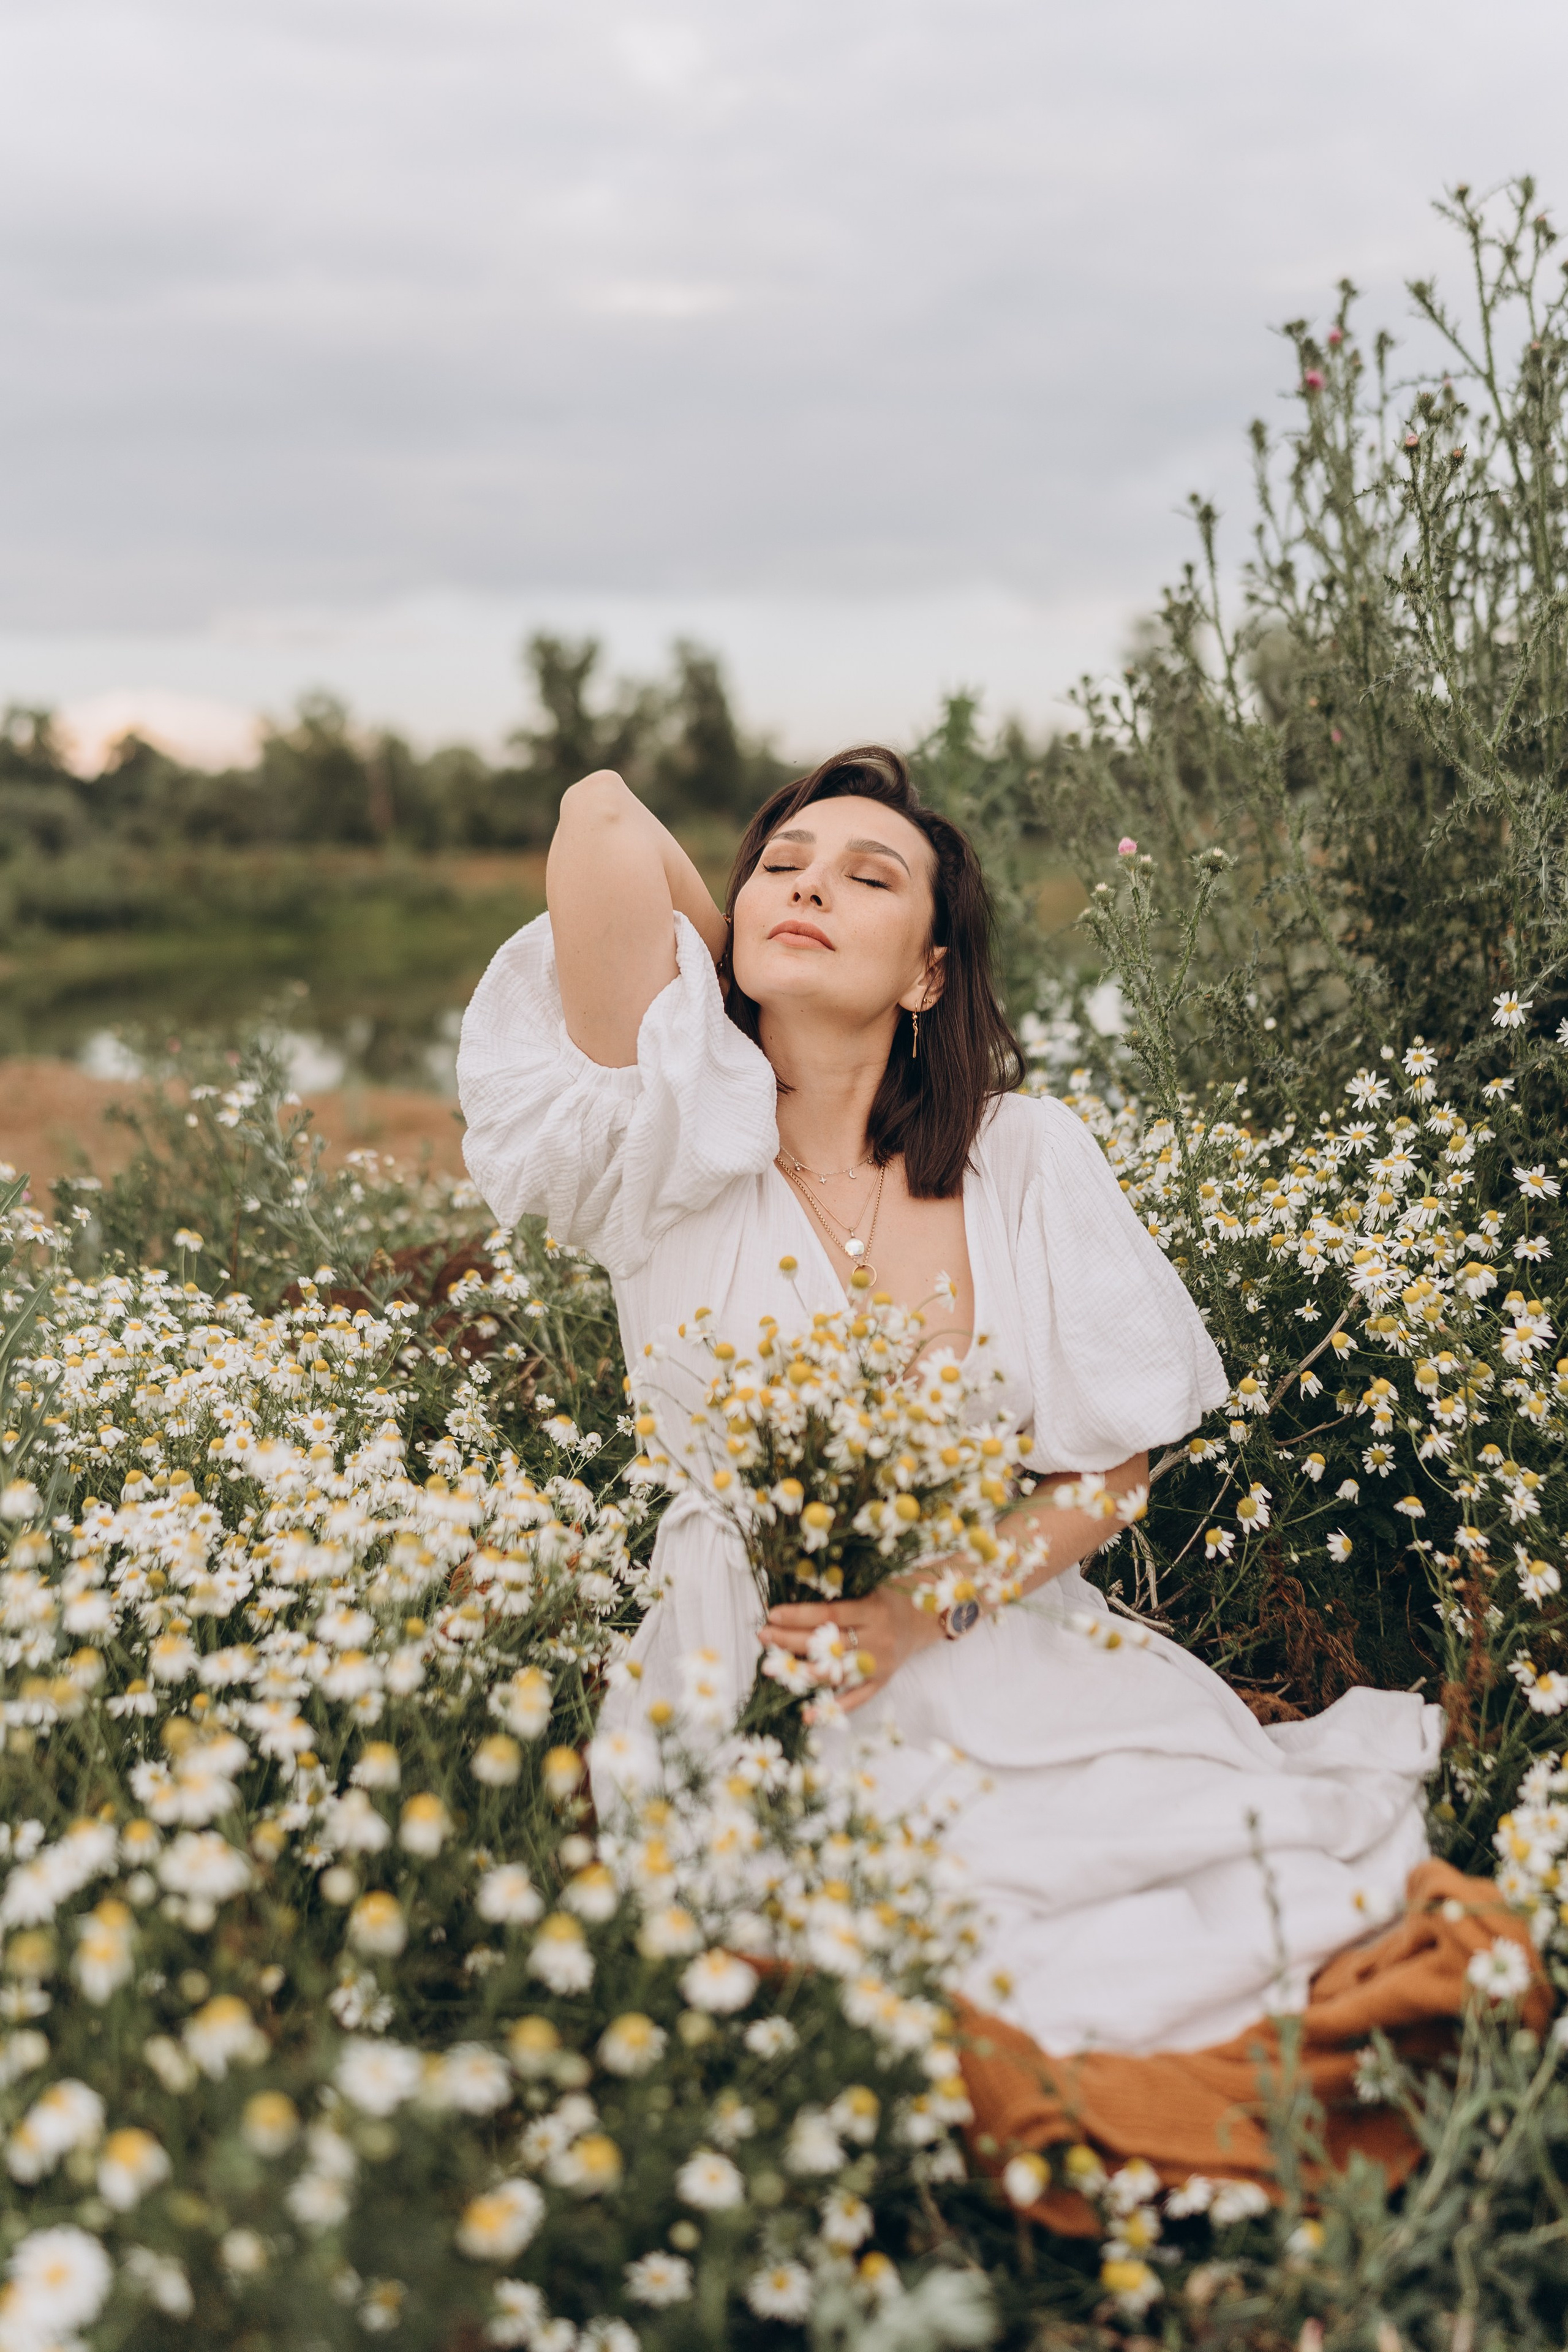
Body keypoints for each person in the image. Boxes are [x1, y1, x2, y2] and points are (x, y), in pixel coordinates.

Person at [457, 746, 1442, 2059]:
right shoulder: (667, 1142)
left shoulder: (1020, 1154)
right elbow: (598, 814)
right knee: (862, 1932)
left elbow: (1112, 1467)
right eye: (779, 871)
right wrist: (729, 972)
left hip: (987, 1631)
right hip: (745, 1655)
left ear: (930, 974)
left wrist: (915, 1613)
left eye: (869, 878)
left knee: (1189, 1899)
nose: (807, 889)